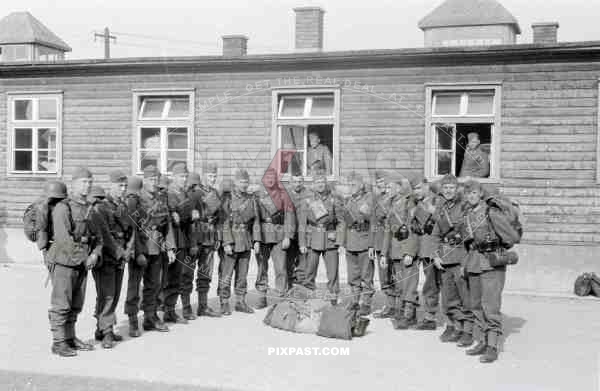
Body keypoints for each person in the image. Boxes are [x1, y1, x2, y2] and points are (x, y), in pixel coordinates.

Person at [45, 167, 104, 357]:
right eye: (83, 182)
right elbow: (63, 239)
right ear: (74, 184)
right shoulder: (64, 207)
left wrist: (95, 254)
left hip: (83, 261)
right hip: (63, 262)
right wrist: (85, 258)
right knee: (62, 303)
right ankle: (59, 342)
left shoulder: (89, 208)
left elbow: (98, 237)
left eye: (90, 182)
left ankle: (70, 338)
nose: (87, 186)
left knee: (76, 303)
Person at [461, 179, 516, 363]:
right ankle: (482, 341)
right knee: (475, 304)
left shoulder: (491, 212)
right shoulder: (468, 214)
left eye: (474, 192)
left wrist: (496, 246)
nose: (471, 196)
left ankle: (493, 346)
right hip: (474, 262)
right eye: (468, 193)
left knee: (490, 305)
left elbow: (511, 237)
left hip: (492, 263)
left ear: (481, 194)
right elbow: (468, 243)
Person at [430, 174, 474, 346]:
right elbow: (435, 234)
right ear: (442, 189)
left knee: (464, 296)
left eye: (452, 188)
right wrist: (435, 255)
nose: (448, 191)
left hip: (460, 256)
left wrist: (466, 261)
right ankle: (453, 325)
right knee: (448, 295)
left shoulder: (464, 207)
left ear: (457, 190)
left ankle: (467, 330)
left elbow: (469, 236)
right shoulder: (441, 208)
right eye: (446, 188)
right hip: (445, 257)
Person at [133, 165, 175, 333]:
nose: (154, 183)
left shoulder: (160, 199)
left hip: (157, 245)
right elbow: (133, 228)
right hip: (141, 246)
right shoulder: (136, 200)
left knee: (154, 283)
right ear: (144, 180)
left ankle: (150, 317)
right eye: (151, 180)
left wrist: (170, 247)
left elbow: (167, 224)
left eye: (156, 180)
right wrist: (136, 251)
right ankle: (132, 319)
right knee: (135, 286)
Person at [88, 182, 128, 349]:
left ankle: (101, 328)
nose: (123, 189)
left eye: (125, 186)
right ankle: (107, 331)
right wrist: (118, 251)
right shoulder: (100, 209)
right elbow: (103, 235)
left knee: (114, 293)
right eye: (120, 185)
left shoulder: (122, 206)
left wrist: (127, 250)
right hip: (106, 257)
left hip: (119, 256)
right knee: (107, 295)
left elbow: (129, 230)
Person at [219, 169, 261, 315]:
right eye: (241, 182)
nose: (244, 185)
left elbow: (255, 221)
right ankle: (224, 302)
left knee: (243, 274)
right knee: (227, 274)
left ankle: (240, 301)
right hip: (232, 240)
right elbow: (223, 222)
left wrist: (256, 240)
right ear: (235, 182)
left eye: (246, 182)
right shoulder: (227, 199)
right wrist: (226, 242)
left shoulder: (251, 199)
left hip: (246, 240)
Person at [299, 170, 344, 305]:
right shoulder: (307, 200)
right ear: (313, 184)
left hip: (330, 240)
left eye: (322, 182)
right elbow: (302, 224)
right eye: (317, 182)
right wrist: (302, 243)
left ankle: (333, 299)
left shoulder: (334, 199)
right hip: (312, 240)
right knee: (309, 271)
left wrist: (340, 241)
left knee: (333, 272)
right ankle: (307, 299)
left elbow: (341, 221)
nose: (320, 185)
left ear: (326, 183)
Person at [381, 174, 419, 329]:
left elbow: (414, 229)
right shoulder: (390, 205)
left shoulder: (409, 204)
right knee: (401, 283)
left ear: (398, 188)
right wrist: (384, 253)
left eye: (390, 187)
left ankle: (409, 315)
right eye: (386, 187)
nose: (387, 190)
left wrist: (410, 252)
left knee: (409, 284)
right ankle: (405, 312)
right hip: (395, 250)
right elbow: (387, 232)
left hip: (406, 250)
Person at [254, 167, 296, 308]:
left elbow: (289, 216)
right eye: (268, 177)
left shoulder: (284, 194)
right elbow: (255, 219)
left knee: (281, 268)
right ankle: (261, 295)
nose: (270, 180)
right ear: (264, 179)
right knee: (262, 268)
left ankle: (281, 296)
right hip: (264, 235)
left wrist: (288, 236)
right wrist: (256, 240)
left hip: (279, 235)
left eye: (273, 177)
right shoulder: (258, 195)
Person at [187, 163, 223, 318]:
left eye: (214, 176)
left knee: (205, 273)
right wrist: (193, 242)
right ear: (204, 176)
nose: (212, 179)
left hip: (209, 236)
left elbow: (219, 219)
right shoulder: (195, 193)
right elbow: (191, 218)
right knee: (187, 273)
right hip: (196, 235)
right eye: (210, 176)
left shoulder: (215, 192)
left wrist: (217, 237)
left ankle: (203, 306)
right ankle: (187, 307)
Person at [339, 171, 374, 315]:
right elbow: (343, 223)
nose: (351, 187)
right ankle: (355, 300)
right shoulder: (348, 200)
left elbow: (374, 223)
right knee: (352, 274)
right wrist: (341, 243)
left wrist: (372, 244)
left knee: (366, 274)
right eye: (349, 184)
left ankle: (366, 303)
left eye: (353, 184)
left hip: (364, 239)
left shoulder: (369, 199)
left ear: (361, 186)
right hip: (351, 242)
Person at [410, 176, 443, 330]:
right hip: (424, 249)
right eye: (414, 189)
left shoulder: (437, 201)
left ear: (426, 186)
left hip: (436, 250)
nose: (416, 191)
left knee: (438, 285)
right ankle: (430, 317)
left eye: (418, 188)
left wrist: (433, 211)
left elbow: (444, 223)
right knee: (431, 285)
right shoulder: (418, 204)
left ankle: (454, 322)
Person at [163, 163, 191, 324]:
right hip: (170, 239)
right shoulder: (167, 194)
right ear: (173, 177)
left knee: (176, 277)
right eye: (181, 176)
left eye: (186, 176)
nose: (184, 179)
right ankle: (157, 311)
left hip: (182, 239)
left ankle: (170, 311)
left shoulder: (185, 193)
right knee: (166, 277)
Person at [370, 171, 395, 318]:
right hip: (380, 240)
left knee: (396, 273)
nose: (381, 185)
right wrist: (372, 244)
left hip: (394, 239)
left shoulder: (395, 198)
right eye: (378, 182)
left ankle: (399, 306)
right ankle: (390, 305)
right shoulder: (376, 199)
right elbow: (373, 222)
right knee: (384, 274)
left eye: (383, 181)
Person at [286, 175, 312, 287]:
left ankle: (301, 289)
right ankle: (289, 287)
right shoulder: (285, 195)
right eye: (295, 182)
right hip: (290, 234)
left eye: (300, 181)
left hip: (304, 234)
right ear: (291, 182)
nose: (297, 184)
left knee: (303, 262)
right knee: (288, 262)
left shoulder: (309, 195)